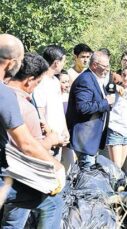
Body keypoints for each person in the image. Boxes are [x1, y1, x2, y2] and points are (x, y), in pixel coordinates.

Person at [0, 34, 64, 229]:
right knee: (53, 201)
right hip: (4, 177)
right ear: (11, 63)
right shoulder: (5, 95)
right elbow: (25, 144)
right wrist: (56, 166)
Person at [66, 51, 116, 170]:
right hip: (85, 140)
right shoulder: (85, 80)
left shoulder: (96, 78)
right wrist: (106, 102)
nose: (107, 69)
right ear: (94, 65)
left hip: (93, 139)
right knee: (87, 178)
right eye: (104, 66)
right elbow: (83, 107)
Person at [33, 45, 69, 159]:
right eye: (63, 61)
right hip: (47, 141)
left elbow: (59, 110)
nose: (64, 64)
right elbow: (40, 115)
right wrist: (51, 137)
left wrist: (65, 129)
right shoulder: (40, 83)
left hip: (59, 138)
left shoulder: (55, 81)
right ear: (56, 63)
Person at [106, 64, 127, 169]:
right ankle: (113, 185)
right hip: (115, 130)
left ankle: (117, 185)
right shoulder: (115, 88)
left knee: (120, 167)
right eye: (124, 75)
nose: (125, 78)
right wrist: (116, 86)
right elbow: (107, 86)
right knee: (116, 166)